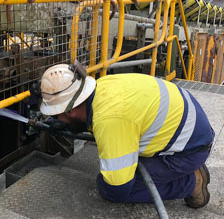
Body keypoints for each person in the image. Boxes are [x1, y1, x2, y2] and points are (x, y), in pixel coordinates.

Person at [39, 62, 215, 208]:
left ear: (70, 111)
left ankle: (191, 183)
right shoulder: (103, 87)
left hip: (189, 151)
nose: (57, 118)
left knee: (110, 188)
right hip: (191, 128)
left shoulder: (110, 119)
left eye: (57, 114)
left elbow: (118, 185)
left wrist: (112, 180)